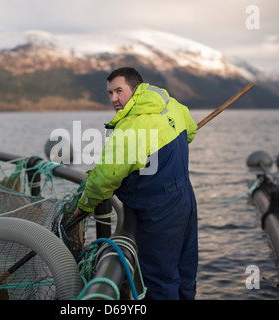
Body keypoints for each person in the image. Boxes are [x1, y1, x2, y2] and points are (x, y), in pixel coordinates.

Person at [74, 67, 198, 300]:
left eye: (119, 91)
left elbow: (105, 177)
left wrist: (85, 206)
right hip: (185, 199)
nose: (114, 99)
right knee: (185, 271)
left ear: (136, 89)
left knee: (159, 279)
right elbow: (190, 131)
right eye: (110, 93)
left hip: (158, 209)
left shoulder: (133, 126)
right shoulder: (170, 104)